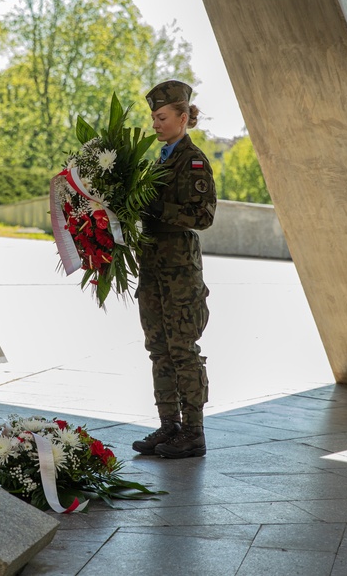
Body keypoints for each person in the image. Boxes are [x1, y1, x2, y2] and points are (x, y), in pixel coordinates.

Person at [131, 80, 216, 459]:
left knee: (183, 349)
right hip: (153, 267)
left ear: (183, 118)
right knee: (158, 348)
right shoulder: (160, 159)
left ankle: (194, 432)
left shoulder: (193, 161)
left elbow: (204, 216)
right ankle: (169, 426)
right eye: (153, 117)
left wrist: (154, 209)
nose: (155, 124)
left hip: (180, 271)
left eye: (162, 117)